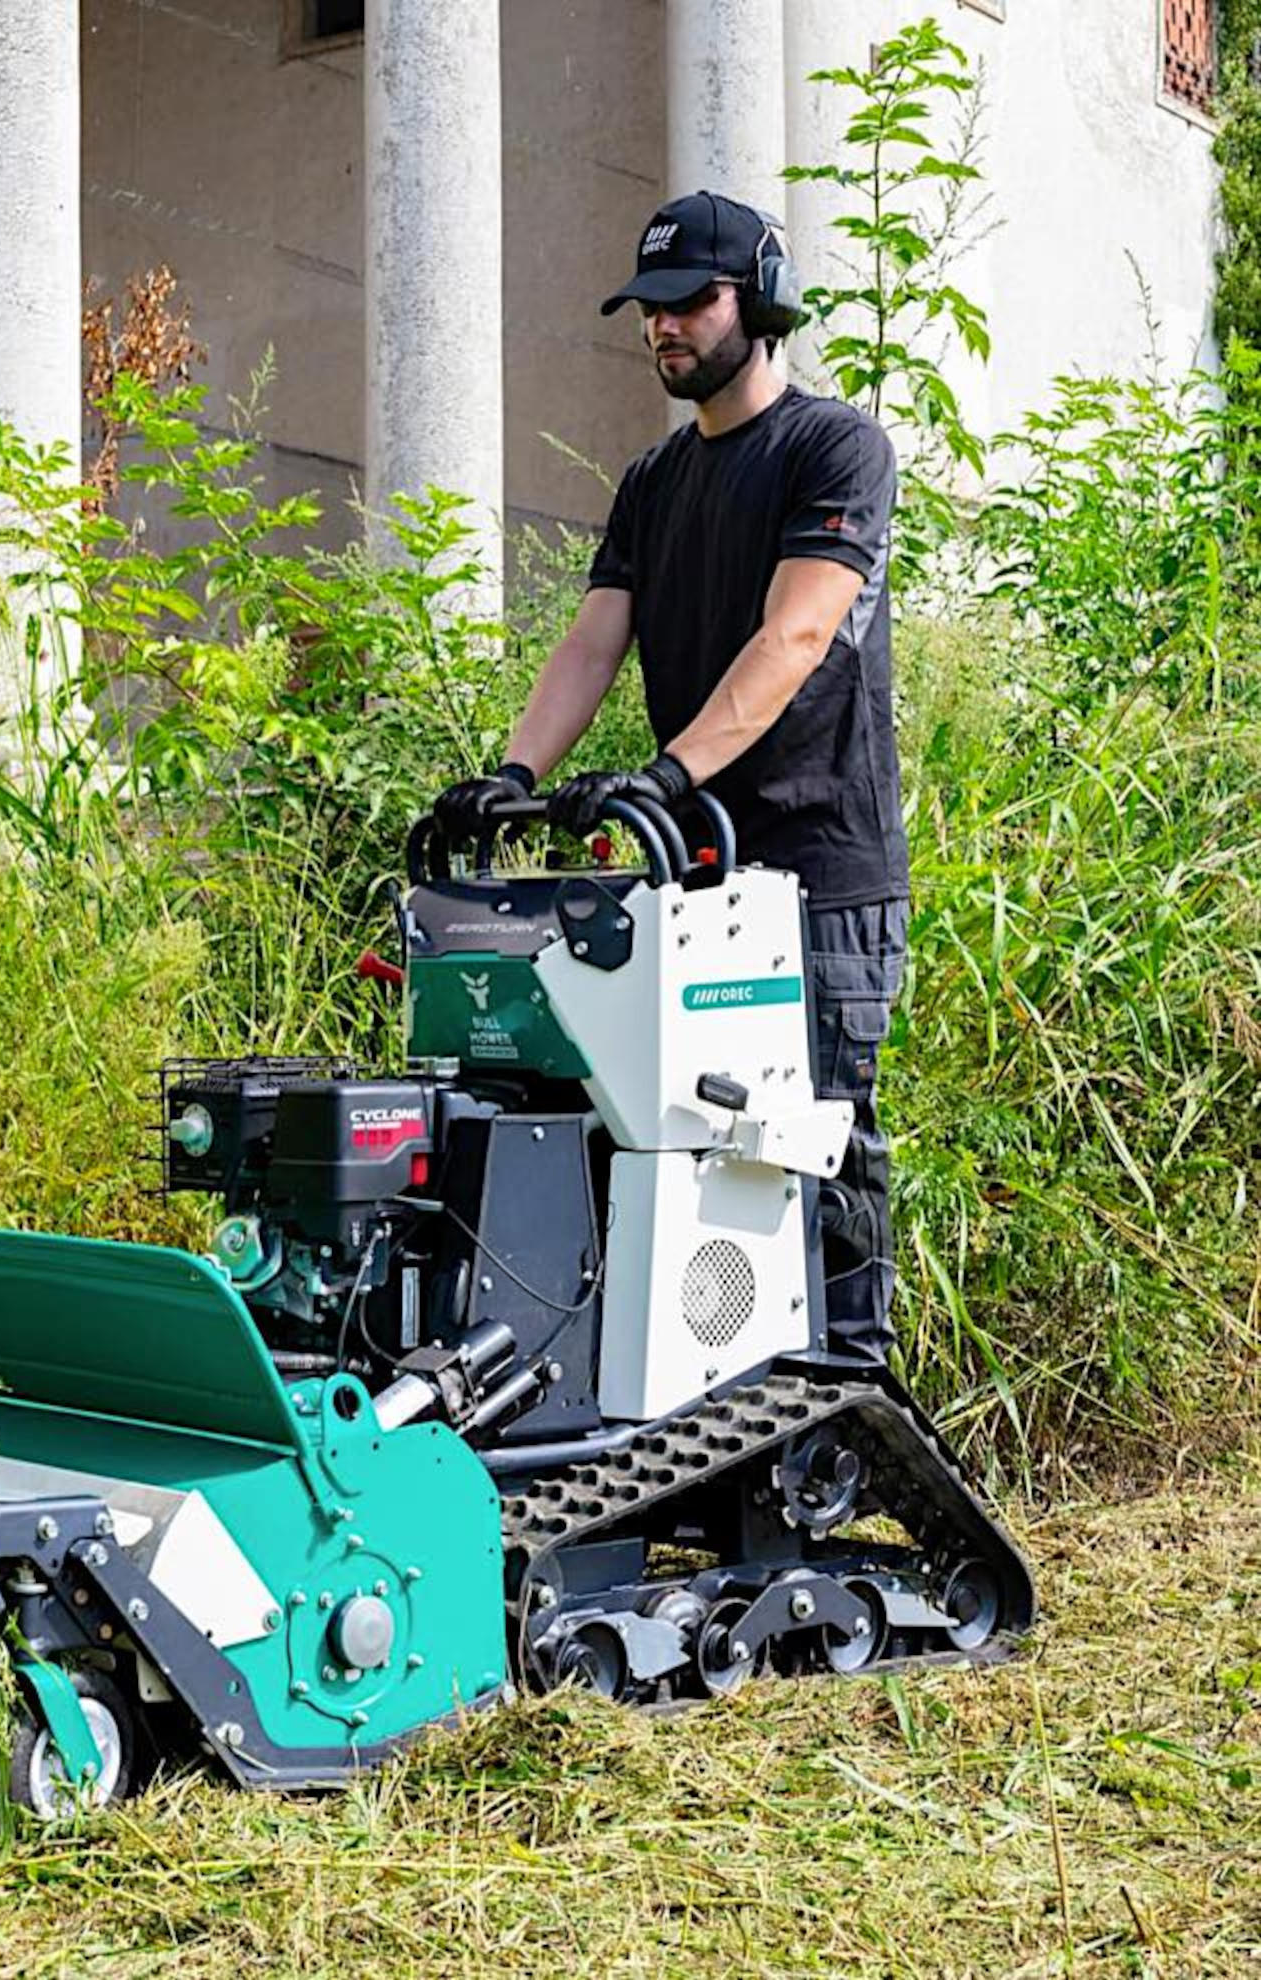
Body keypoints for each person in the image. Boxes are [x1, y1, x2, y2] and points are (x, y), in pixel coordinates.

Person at [434, 189, 907, 1365]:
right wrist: (511, 773)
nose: (665, 328)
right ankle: (706, 1422)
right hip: (693, 881)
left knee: (813, 1148)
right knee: (675, 1150)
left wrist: (667, 772)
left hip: (818, 878)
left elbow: (794, 639)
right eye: (649, 308)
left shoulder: (834, 449)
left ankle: (848, 1412)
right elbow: (594, 640)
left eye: (690, 302)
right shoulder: (652, 481)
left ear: (761, 299)